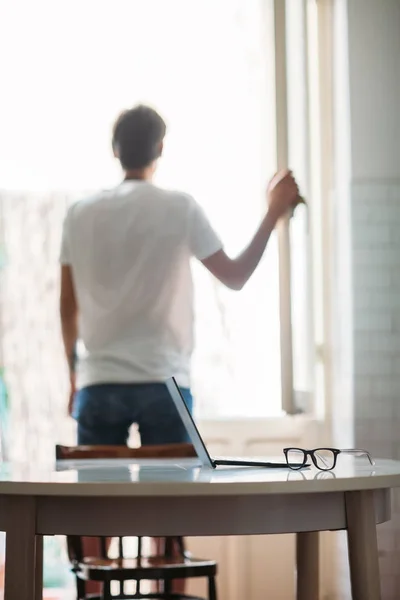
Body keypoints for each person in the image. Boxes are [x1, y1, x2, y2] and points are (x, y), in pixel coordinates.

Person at [59, 104, 299, 593]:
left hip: (99, 380)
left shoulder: (79, 214)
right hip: (165, 381)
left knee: (90, 515)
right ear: (160, 150)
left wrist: (73, 374)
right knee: (169, 514)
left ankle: (91, 592)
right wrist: (273, 213)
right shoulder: (179, 207)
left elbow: (68, 308)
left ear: (115, 150)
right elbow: (234, 276)